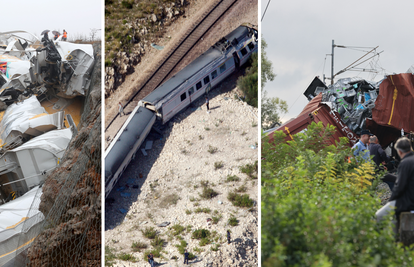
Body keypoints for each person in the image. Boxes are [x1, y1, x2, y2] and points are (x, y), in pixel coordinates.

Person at [376, 137, 414, 232]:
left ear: (399, 151)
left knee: (379, 215)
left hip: (407, 201)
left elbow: (399, 187)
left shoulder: (405, 163)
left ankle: (392, 239)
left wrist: (391, 200)